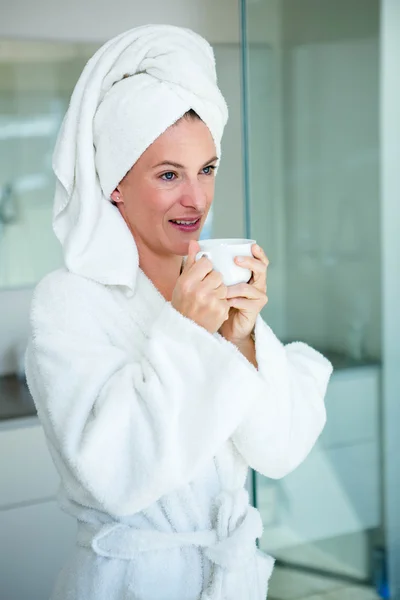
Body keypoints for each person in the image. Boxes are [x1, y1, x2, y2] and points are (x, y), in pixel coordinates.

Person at [25, 24, 333, 600]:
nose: (197, 198)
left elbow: (280, 451)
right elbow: (115, 476)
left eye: (207, 169)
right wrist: (190, 332)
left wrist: (243, 344)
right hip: (131, 583)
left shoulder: (211, 285)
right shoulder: (69, 302)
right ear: (115, 184)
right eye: (169, 175)